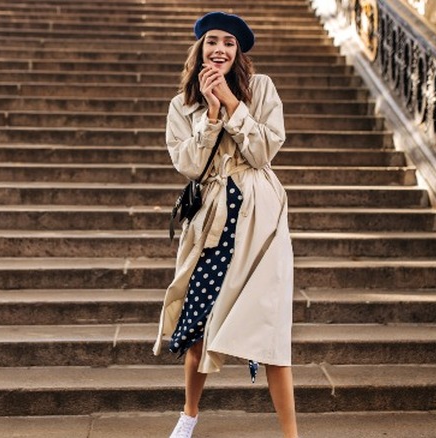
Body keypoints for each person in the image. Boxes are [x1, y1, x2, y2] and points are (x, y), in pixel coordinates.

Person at [152, 11, 299, 438]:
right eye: (212, 40)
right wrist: (211, 114)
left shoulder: (261, 88)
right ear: (199, 47)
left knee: (270, 328)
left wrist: (233, 105)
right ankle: (189, 414)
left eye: (229, 43)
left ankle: (291, 435)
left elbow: (264, 152)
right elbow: (189, 165)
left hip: (260, 220)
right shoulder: (182, 105)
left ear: (238, 53)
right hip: (212, 220)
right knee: (196, 325)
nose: (220, 49)